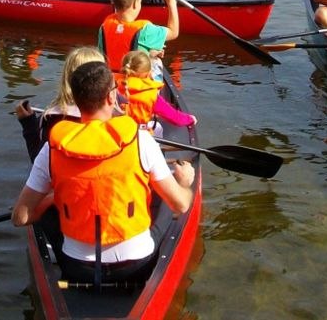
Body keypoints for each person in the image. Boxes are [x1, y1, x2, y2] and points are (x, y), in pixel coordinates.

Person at [11, 61, 195, 285]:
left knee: (46, 206)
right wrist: (184, 184)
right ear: (111, 97)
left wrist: (54, 199)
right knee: (167, 196)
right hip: (137, 266)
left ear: (77, 102)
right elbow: (181, 205)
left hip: (77, 267)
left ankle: (56, 268)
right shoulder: (141, 140)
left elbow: (20, 218)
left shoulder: (52, 148)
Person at [16, 46, 105, 162]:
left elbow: (38, 161)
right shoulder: (110, 116)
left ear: (66, 77)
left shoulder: (52, 118)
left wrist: (28, 122)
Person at [98, 0, 179, 77]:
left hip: (111, 80)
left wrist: (148, 53)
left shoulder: (104, 26)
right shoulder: (145, 30)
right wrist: (171, 2)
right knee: (157, 62)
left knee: (151, 56)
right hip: (134, 81)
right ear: (136, 3)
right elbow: (174, 32)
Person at [119, 50, 196, 135]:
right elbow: (174, 117)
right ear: (149, 73)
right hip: (136, 135)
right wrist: (190, 119)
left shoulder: (112, 87)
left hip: (115, 130)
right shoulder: (151, 96)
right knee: (158, 127)